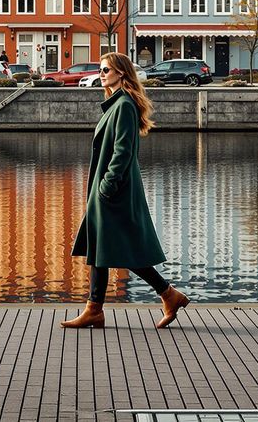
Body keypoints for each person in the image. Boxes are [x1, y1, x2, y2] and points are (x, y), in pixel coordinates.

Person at [62, 52, 188, 331]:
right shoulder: (116, 104)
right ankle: (98, 309)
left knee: (117, 247)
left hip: (113, 190)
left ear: (121, 72)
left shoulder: (124, 106)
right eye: (100, 69)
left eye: (107, 69)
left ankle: (167, 294)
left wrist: (107, 185)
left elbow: (123, 150)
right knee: (102, 247)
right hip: (108, 188)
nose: (102, 73)